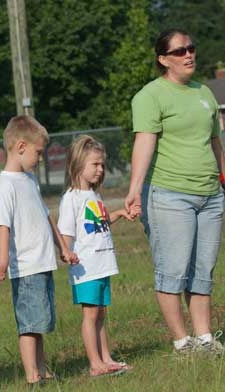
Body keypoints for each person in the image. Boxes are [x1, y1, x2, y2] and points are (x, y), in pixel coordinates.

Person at [125, 28, 225, 356]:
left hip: (210, 195)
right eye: (180, 51)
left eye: (191, 48)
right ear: (163, 59)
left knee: (202, 268)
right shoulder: (150, 96)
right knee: (174, 269)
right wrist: (135, 190)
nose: (189, 55)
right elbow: (144, 143)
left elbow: (214, 142)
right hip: (170, 195)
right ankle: (182, 343)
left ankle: (205, 338)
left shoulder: (205, 93)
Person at [0, 115, 77, 385]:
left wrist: (62, 246)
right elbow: (2, 225)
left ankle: (43, 369)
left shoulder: (29, 180)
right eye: (38, 152)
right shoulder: (5, 184)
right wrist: (3, 262)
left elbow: (45, 215)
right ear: (20, 147)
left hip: (43, 262)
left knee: (39, 321)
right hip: (26, 267)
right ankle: (32, 375)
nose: (40, 158)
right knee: (29, 324)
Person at [58, 135, 136, 377]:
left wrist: (120, 214)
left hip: (102, 265)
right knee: (90, 314)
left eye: (102, 164)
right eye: (95, 164)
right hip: (86, 268)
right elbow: (66, 232)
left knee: (101, 313)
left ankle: (106, 358)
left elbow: (99, 221)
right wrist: (66, 251)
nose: (101, 169)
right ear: (78, 165)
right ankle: (95, 363)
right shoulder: (71, 198)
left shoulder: (93, 195)